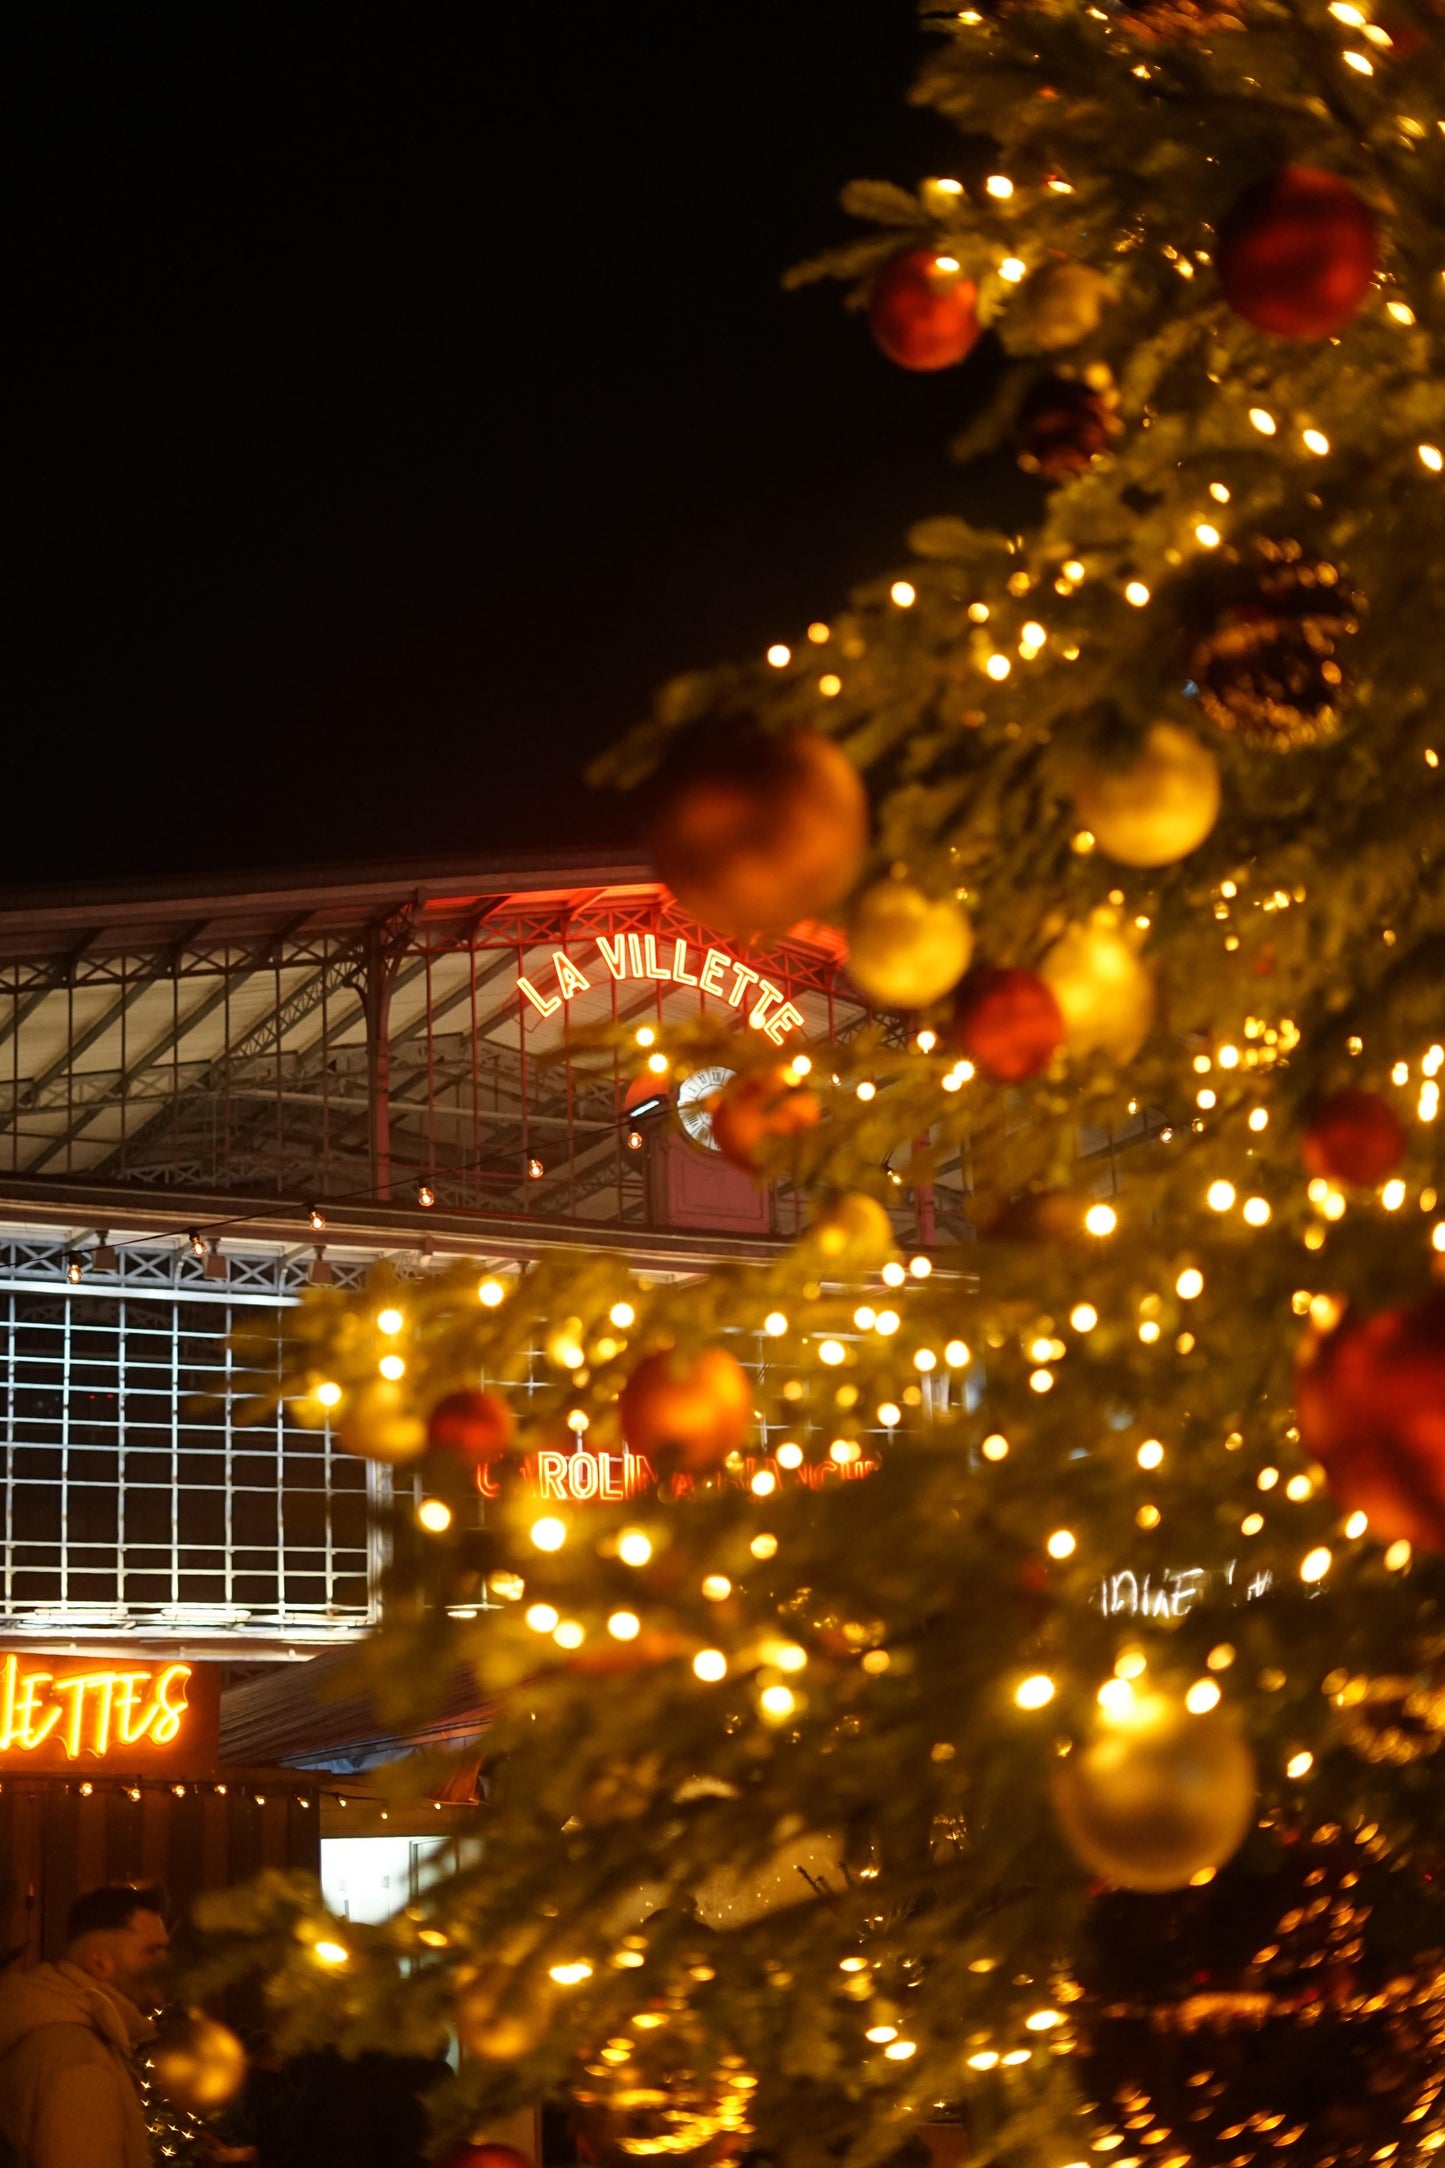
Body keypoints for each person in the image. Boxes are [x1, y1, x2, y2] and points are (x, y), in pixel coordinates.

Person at [0, 1881, 169, 2168]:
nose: (167, 1963)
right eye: (151, 1951)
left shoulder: (59, 2030)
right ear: (100, 1963)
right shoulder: (80, 2062)